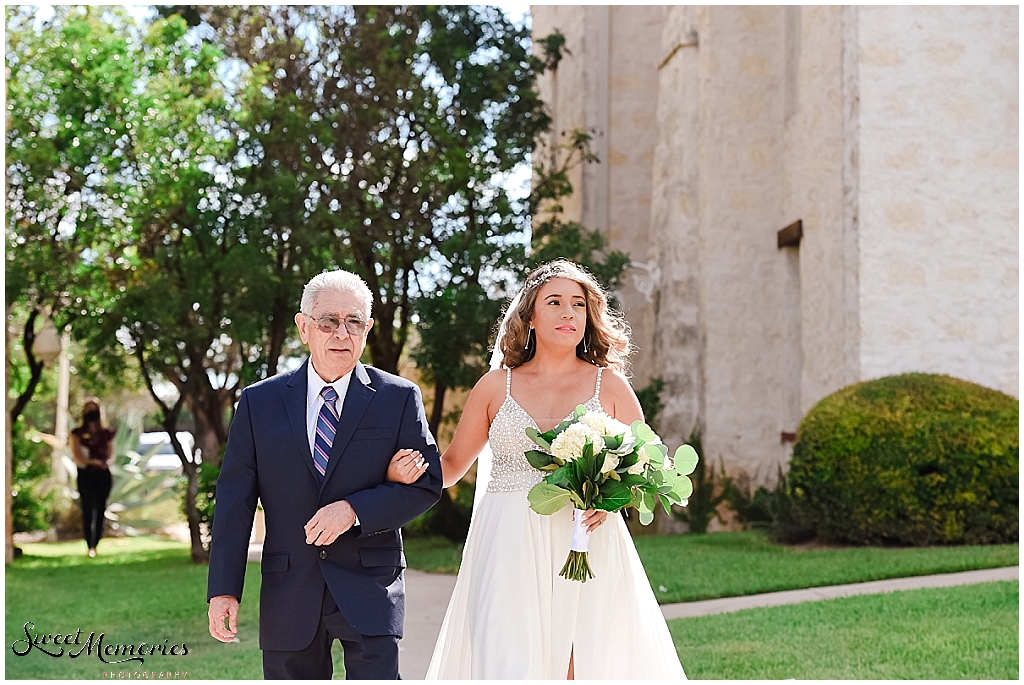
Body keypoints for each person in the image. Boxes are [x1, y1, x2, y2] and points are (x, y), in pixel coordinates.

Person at [388, 259, 686, 679]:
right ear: (529, 317)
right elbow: (453, 464)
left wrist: (614, 501)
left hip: (586, 539)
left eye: (579, 304)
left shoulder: (611, 386)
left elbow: (650, 463)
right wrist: (410, 472)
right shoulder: (495, 386)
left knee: (582, 661)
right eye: (555, 302)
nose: (569, 313)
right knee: (507, 656)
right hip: (507, 541)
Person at [206, 269, 443, 679]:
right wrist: (224, 588)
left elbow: (425, 484)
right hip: (289, 588)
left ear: (367, 329)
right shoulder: (258, 402)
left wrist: (353, 510)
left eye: (354, 322)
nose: (342, 333)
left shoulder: (399, 398)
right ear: (304, 327)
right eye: (329, 321)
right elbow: (234, 500)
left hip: (371, 585)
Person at [70, 398, 116, 558]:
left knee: (101, 509)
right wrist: (92, 462)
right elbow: (76, 455)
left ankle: (97, 542)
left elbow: (111, 454)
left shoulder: (106, 433)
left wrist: (106, 463)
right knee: (88, 509)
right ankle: (89, 544)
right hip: (86, 475)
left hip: (103, 475)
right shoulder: (78, 433)